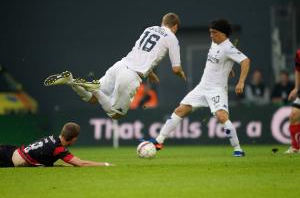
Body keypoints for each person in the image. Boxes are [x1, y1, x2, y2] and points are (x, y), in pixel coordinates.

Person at [44, 13, 186, 119]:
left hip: (120, 65)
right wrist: (181, 74)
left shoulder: (150, 29)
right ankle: (96, 89)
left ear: (162, 22)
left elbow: (143, 52)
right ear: (175, 27)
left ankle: (70, 81)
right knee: (116, 114)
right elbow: (176, 69)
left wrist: (151, 73)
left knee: (92, 99)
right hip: (131, 76)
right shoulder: (172, 38)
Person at [148, 19, 251, 157]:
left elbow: (245, 61)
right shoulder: (214, 43)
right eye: (210, 32)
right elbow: (219, 61)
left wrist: (241, 82)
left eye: (214, 33)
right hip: (202, 87)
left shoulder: (228, 47)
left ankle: (238, 149)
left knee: (222, 117)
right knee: (180, 110)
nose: (211, 35)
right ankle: (158, 141)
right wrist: (228, 69)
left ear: (223, 34)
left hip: (217, 90)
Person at [0, 122, 112, 167]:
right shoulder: (58, 149)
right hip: (7, 159)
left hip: (11, 151)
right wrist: (105, 164)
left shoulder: (52, 138)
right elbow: (80, 163)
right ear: (74, 139)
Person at [285, 49, 300, 154]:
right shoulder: (299, 53)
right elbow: (298, 69)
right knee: (293, 115)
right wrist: (296, 88)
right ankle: (295, 148)